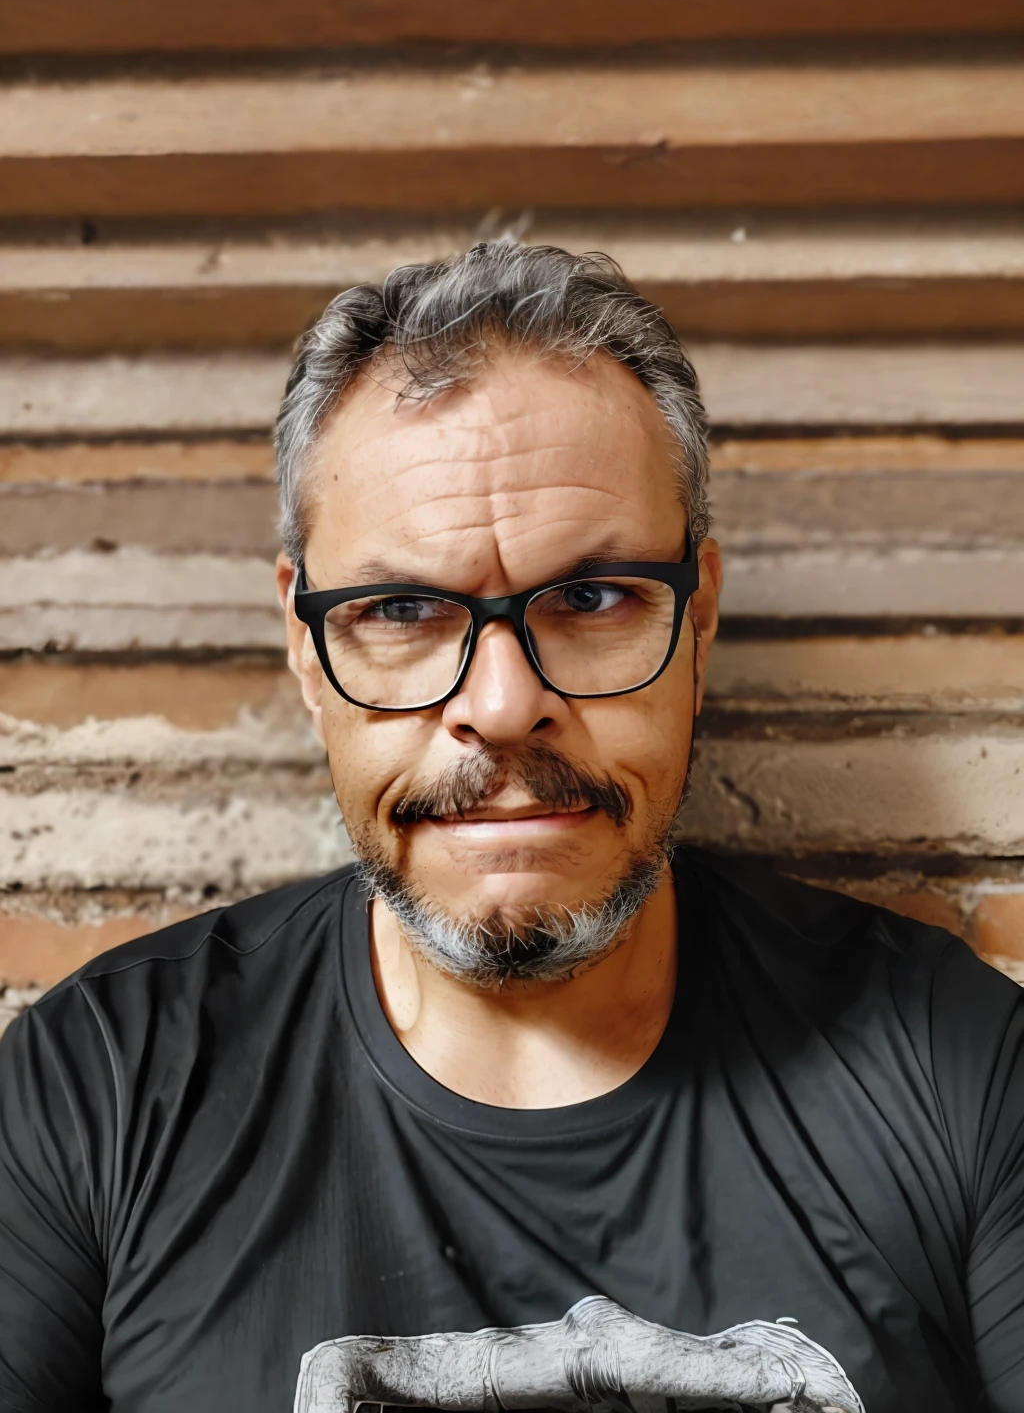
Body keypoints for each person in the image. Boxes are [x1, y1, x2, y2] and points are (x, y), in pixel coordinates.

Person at [1, 241, 1021, 1413]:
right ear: (302, 642)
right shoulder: (103, 1091)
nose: (498, 705)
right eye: (399, 610)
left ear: (699, 619)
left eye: (590, 599)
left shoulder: (960, 1070)